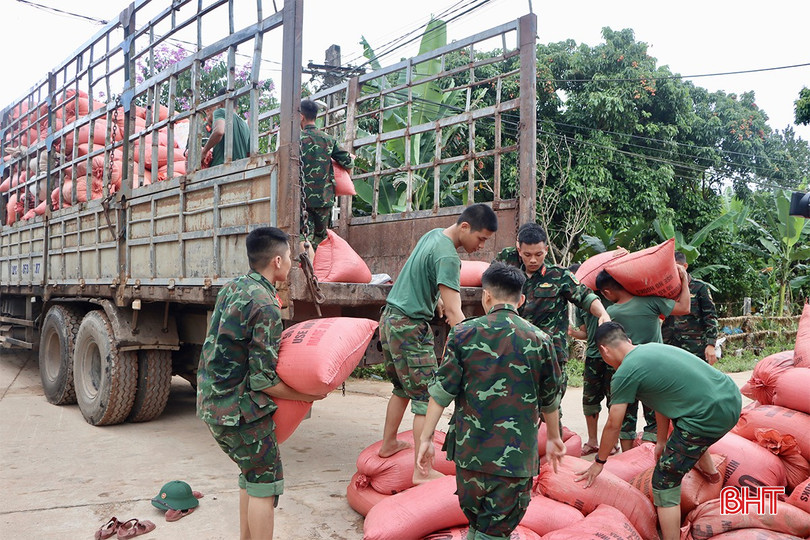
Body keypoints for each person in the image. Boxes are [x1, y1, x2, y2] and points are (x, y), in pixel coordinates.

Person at [417, 262, 565, 540]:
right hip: (514, 463)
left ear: (486, 296)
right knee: (494, 531)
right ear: (521, 300)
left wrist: (425, 438)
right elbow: (550, 400)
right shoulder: (541, 340)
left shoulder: (463, 333)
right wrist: (555, 438)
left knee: (477, 525)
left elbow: (441, 391)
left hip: (469, 457)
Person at [197, 227, 327, 540]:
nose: (294, 266)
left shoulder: (236, 287)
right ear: (278, 261)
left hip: (212, 403)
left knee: (251, 477)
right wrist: (308, 394)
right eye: (292, 261)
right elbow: (263, 379)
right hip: (238, 411)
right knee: (265, 484)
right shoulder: (267, 305)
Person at [576, 321, 741, 540]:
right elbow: (664, 402)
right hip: (731, 398)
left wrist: (599, 462)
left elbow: (614, 424)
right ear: (628, 340)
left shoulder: (625, 372)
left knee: (664, 479)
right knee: (684, 439)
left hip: (708, 417)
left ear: (604, 350)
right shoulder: (650, 349)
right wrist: (661, 441)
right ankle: (711, 475)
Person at [378, 203, 498, 484]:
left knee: (401, 388)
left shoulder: (433, 236)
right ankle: (422, 472)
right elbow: (457, 314)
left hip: (390, 320)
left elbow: (420, 276)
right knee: (427, 396)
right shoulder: (449, 257)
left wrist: (438, 300)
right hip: (409, 327)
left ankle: (388, 444)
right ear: (465, 227)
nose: (481, 246)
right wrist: (479, 349)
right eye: (481, 239)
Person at [495, 224, 609, 421]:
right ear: (518, 249)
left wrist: (603, 314)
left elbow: (585, 297)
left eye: (539, 254)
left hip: (551, 354)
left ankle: (551, 446)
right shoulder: (508, 270)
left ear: (546, 250)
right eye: (527, 254)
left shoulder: (559, 276)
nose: (533, 259)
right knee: (514, 404)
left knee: (551, 408)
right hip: (515, 352)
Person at [595, 266, 691, 451]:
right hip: (655, 370)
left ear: (606, 292)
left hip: (625, 370)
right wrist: (684, 282)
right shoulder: (651, 302)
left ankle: (628, 458)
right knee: (655, 415)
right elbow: (684, 307)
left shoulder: (610, 313)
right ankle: (650, 456)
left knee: (625, 418)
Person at [566, 263, 617, 457]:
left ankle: (612, 442)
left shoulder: (607, 295)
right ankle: (593, 441)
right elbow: (585, 334)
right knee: (589, 400)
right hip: (594, 356)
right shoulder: (581, 306)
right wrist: (571, 332)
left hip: (613, 356)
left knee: (615, 400)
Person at [299, 98, 353, 255]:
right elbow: (348, 162)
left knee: (304, 238)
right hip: (324, 199)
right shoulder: (329, 140)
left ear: (301, 117)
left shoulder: (297, 140)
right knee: (321, 240)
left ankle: (307, 273)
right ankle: (319, 274)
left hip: (303, 200)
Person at [662, 251, 719, 364]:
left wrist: (711, 344)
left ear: (685, 266)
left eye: (676, 268)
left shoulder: (700, 288)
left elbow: (710, 316)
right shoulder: (664, 289)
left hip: (694, 346)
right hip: (669, 345)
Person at [201, 87, 251, 167]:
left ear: (220, 103)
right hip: (240, 170)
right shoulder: (245, 125)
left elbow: (219, 132)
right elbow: (249, 153)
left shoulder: (220, 112)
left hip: (221, 170)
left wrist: (204, 152)